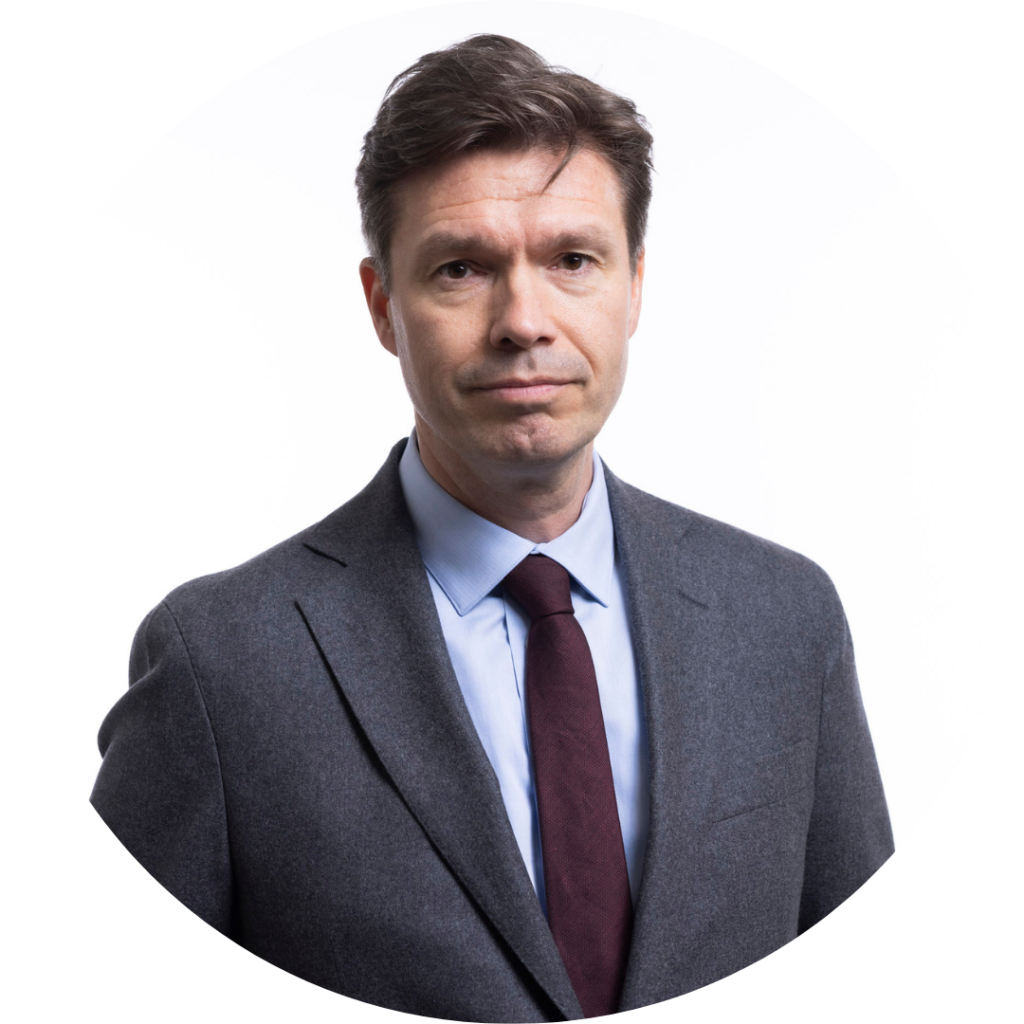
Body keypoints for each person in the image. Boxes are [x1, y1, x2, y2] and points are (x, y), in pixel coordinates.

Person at [90, 34, 894, 1020]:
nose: (523, 319)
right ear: (383, 305)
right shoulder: (219, 665)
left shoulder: (785, 619)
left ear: (635, 286)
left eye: (573, 260)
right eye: (462, 268)